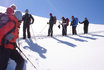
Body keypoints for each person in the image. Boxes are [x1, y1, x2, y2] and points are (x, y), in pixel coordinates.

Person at [0, 6, 24, 70]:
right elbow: (1, 33)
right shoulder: (11, 23)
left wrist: (14, 44)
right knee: (2, 67)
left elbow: (10, 37)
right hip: (5, 48)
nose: (21, 22)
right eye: (21, 20)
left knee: (21, 61)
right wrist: (2, 46)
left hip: (10, 48)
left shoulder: (15, 26)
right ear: (19, 19)